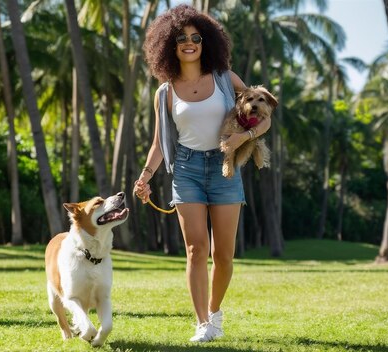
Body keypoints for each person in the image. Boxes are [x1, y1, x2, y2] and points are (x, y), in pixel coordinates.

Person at [133, 4, 271, 342]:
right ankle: (202, 323)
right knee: (196, 249)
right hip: (187, 169)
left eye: (196, 37)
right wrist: (145, 176)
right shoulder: (164, 92)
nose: (189, 43)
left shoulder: (225, 77)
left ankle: (215, 312)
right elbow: (159, 142)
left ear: (205, 41)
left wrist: (245, 136)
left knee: (223, 255)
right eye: (182, 38)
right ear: (170, 45)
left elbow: (263, 115)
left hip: (225, 169)